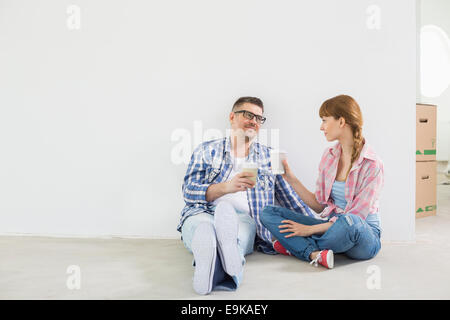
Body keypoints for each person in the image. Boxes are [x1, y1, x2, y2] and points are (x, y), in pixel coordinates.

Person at [177, 96, 313, 294]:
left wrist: (317, 227)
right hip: (202, 211)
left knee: (235, 237)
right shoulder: (206, 150)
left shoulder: (271, 156)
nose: (254, 121)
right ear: (232, 117)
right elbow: (188, 192)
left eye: (259, 118)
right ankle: (226, 272)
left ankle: (210, 269)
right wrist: (226, 187)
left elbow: (290, 200)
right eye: (248, 115)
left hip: (244, 219)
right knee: (202, 229)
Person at [260, 94, 384, 269]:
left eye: (325, 120)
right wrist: (291, 179)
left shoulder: (373, 164)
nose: (321, 127)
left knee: (350, 223)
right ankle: (315, 253)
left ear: (341, 121)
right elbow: (320, 206)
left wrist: (308, 230)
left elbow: (357, 217)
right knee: (268, 212)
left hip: (362, 236)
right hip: (331, 229)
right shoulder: (329, 156)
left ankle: (297, 247)